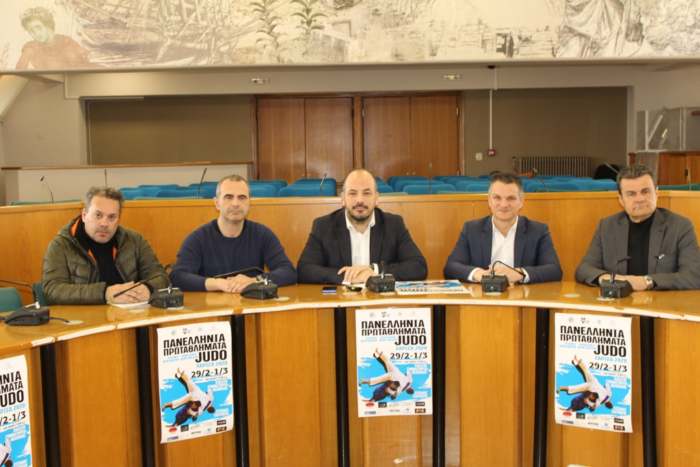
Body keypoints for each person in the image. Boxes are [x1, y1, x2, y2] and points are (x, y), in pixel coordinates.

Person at [576, 165, 700, 290]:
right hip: (619, 300)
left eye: (645, 192)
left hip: (662, 300)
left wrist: (647, 281)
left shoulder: (680, 226)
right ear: (621, 199)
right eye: (631, 194)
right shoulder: (607, 226)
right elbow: (584, 270)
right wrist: (607, 278)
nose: (639, 199)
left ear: (656, 193)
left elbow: (694, 276)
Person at [42, 187, 169, 305]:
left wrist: (148, 288)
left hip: (132, 315)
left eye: (111, 217)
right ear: (84, 215)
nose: (104, 223)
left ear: (118, 219)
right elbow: (52, 290)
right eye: (98, 215)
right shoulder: (61, 245)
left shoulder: (135, 240)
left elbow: (161, 277)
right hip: (86, 318)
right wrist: (104, 293)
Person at [297, 169, 427, 284]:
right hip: (342, 300)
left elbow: (418, 266)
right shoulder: (323, 226)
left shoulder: (393, 224)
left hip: (379, 301)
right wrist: (349, 276)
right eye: (353, 193)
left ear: (376, 198)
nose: (360, 200)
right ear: (343, 199)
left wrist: (375, 271)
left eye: (366, 193)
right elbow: (304, 270)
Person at [170, 175, 296, 292]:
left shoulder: (263, 234)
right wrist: (218, 283)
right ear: (217, 203)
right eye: (228, 197)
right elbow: (177, 276)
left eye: (242, 198)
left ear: (249, 203)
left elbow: (288, 272)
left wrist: (254, 281)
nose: (235, 204)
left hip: (252, 304)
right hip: (213, 306)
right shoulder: (198, 238)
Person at [444, 172, 562, 284]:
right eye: (497, 198)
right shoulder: (471, 229)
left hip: (521, 296)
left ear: (521, 202)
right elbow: (451, 267)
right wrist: (478, 274)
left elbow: (554, 270)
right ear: (489, 201)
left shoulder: (538, 231)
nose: (504, 204)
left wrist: (519, 273)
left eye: (511, 198)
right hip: (483, 295)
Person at [15, 7, 93, 70]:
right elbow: (19, 70)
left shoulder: (66, 42)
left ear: (48, 25)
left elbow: (83, 66)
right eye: (31, 31)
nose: (36, 33)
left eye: (38, 28)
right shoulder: (31, 47)